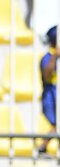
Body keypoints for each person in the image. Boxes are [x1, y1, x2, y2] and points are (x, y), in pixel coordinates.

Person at [38, 26, 58, 156]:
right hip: (50, 97)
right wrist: (55, 57)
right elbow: (46, 74)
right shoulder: (48, 57)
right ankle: (43, 146)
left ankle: (43, 147)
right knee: (57, 124)